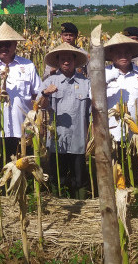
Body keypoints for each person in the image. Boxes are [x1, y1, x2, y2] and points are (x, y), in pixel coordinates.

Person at [0, 22, 41, 166]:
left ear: (15, 44)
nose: (3, 47)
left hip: (22, 128)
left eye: (7, 44)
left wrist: (36, 120)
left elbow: (37, 95)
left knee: (23, 168)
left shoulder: (28, 65)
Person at [39, 42, 90, 198]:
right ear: (58, 61)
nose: (66, 62)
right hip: (57, 138)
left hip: (79, 137)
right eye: (63, 59)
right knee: (57, 175)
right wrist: (46, 94)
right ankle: (58, 201)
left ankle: (80, 202)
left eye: (69, 58)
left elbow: (93, 108)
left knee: (79, 176)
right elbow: (39, 106)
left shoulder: (85, 82)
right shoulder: (49, 82)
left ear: (75, 60)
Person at [103, 33, 138, 143]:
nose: (123, 56)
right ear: (111, 54)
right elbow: (93, 99)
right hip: (112, 134)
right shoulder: (103, 74)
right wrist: (104, 81)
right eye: (118, 53)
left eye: (126, 52)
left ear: (132, 54)